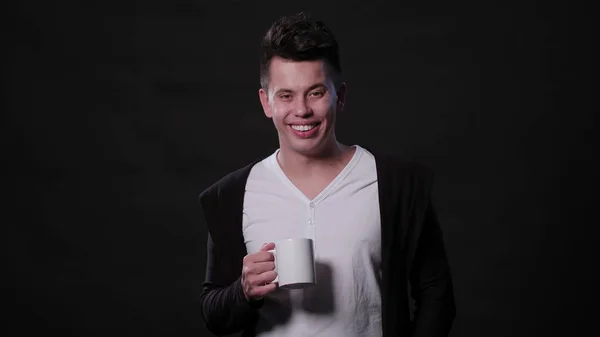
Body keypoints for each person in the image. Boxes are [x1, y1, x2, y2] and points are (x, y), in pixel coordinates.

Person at [198, 12, 455, 337]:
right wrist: (243, 291)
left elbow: (437, 296)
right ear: (266, 102)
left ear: (340, 96)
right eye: (286, 95)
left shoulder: (395, 184)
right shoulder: (233, 195)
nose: (301, 109)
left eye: (316, 92)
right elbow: (213, 312)